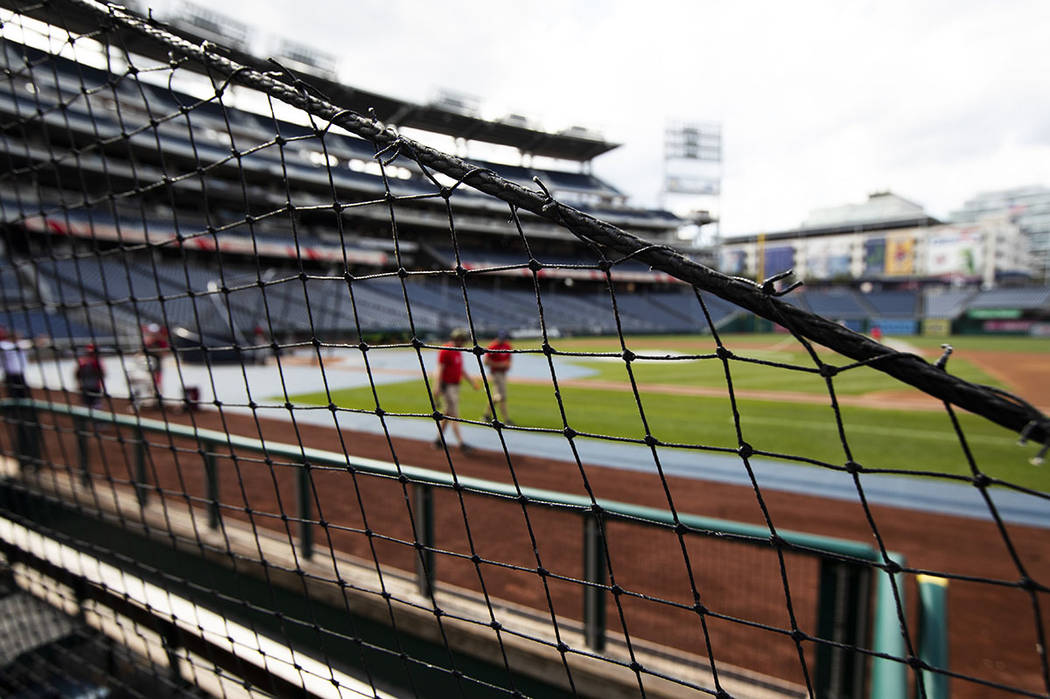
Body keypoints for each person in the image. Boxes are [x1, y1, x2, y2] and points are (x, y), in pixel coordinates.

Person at [433, 328, 479, 454]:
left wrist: (472, 382)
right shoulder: (446, 350)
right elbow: (439, 369)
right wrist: (436, 386)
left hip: (455, 386)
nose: (464, 343)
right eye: (463, 340)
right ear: (457, 339)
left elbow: (461, 369)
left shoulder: (458, 351)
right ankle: (461, 443)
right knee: (454, 414)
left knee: (447, 414)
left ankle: (438, 440)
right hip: (447, 387)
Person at [482, 331, 513, 424]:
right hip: (495, 373)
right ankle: (506, 419)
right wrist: (500, 365)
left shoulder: (507, 346)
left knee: (496, 396)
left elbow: (509, 359)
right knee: (502, 396)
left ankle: (486, 415)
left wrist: (507, 365)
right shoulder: (493, 346)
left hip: (503, 373)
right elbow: (486, 362)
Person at [0, 326, 29, 399]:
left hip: (19, 372)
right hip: (10, 373)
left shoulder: (20, 344)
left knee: (23, 391)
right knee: (12, 392)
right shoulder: (5, 345)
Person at [75, 344, 105, 409]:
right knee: (85, 406)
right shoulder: (83, 362)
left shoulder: (97, 362)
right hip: (85, 387)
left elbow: (103, 374)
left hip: (95, 387)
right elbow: (77, 374)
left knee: (96, 406)